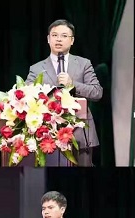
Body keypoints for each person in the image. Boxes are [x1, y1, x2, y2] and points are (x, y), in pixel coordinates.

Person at [26, 19, 103, 167]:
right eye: (54, 35)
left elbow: (97, 92)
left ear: (72, 40)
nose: (59, 39)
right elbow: (27, 96)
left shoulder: (83, 64)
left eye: (64, 36)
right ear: (48, 39)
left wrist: (72, 84)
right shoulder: (36, 69)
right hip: (47, 134)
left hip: (80, 133)